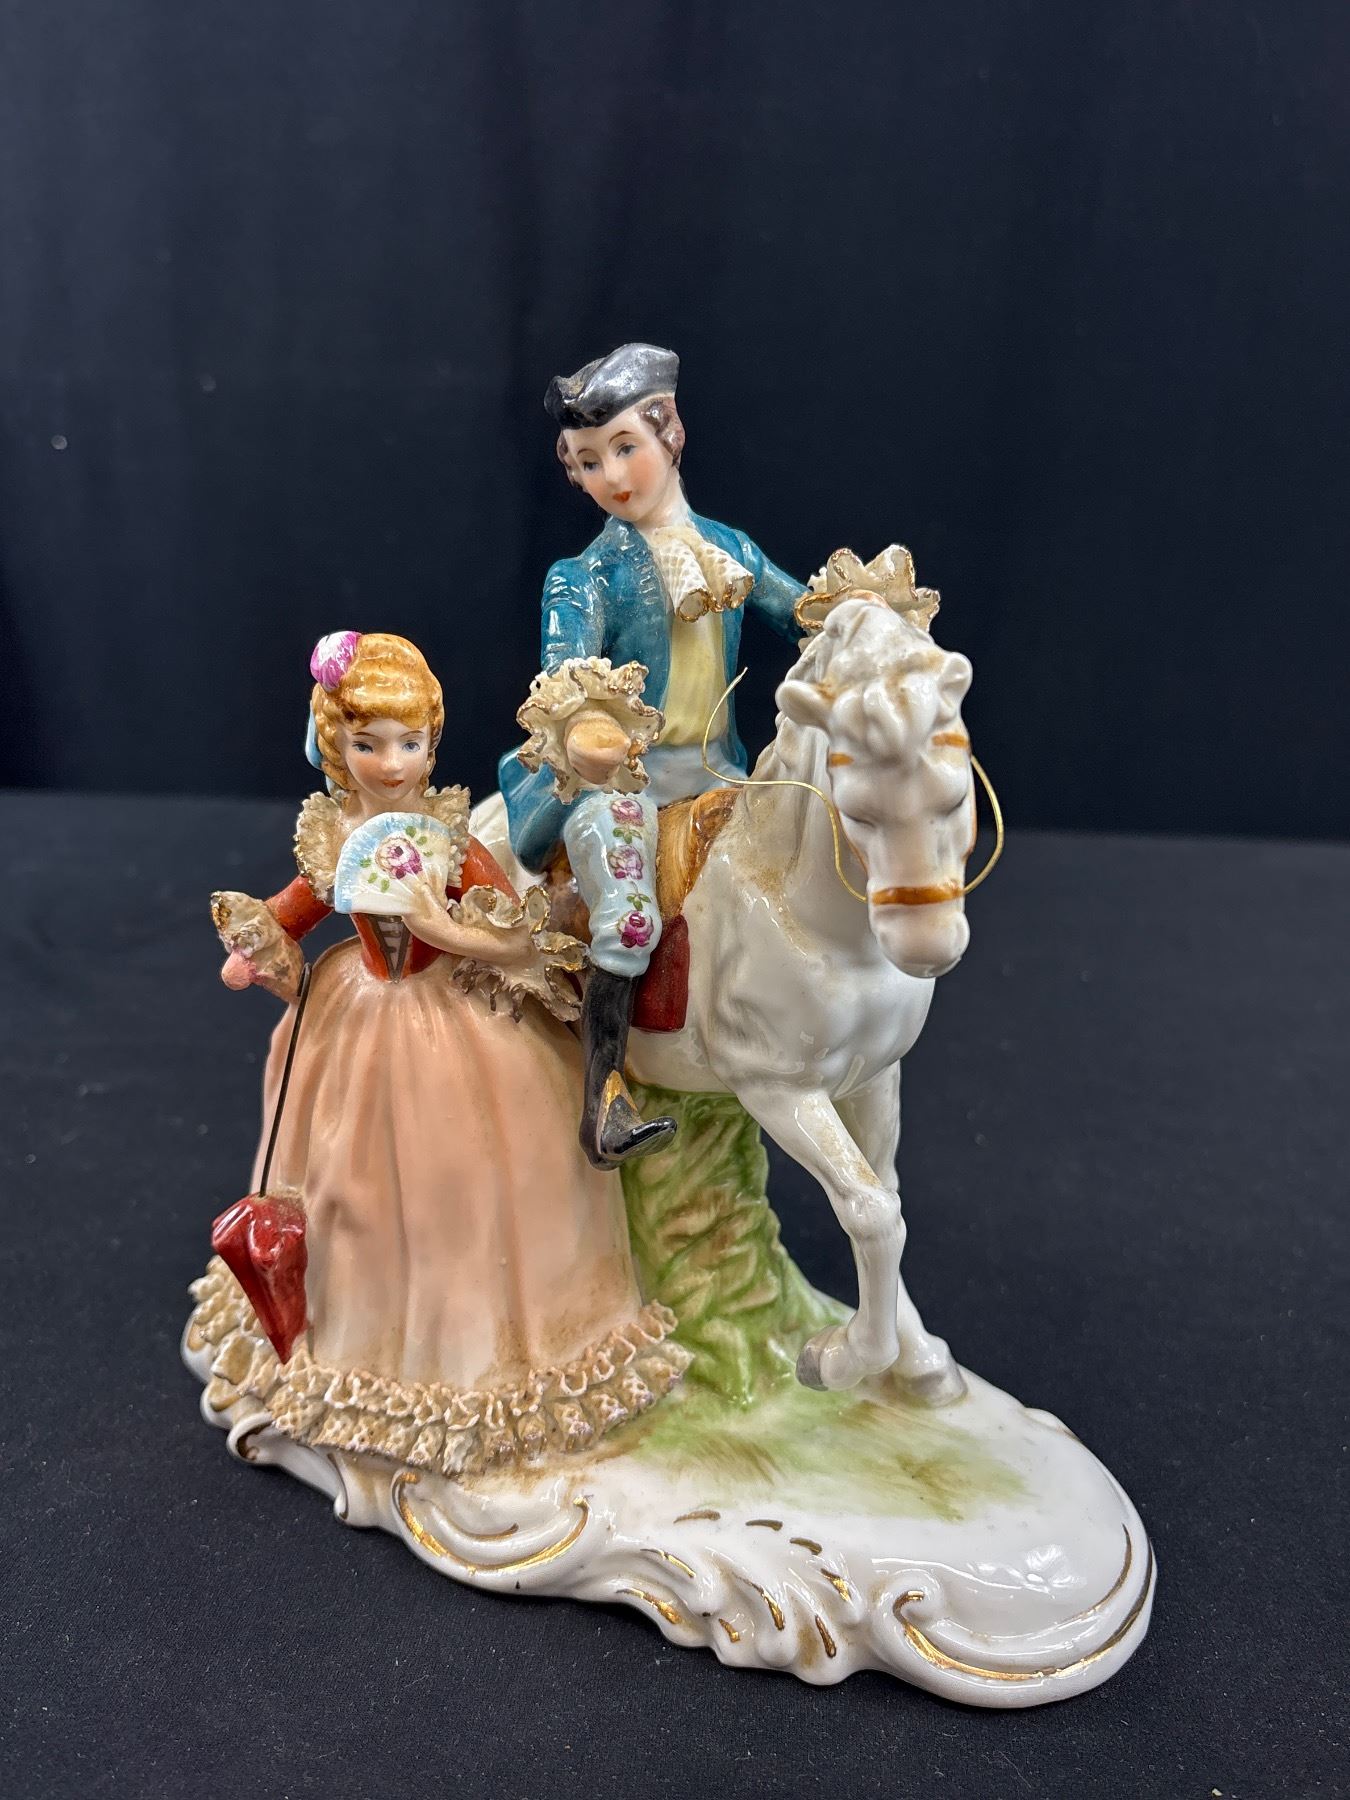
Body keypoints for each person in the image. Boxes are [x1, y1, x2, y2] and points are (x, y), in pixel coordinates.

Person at [196, 631, 689, 1481]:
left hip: (455, 1006)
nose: (392, 764)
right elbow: (298, 905)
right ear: (337, 745)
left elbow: (521, 941)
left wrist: (443, 929)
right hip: (358, 1014)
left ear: (433, 743)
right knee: (354, 1184)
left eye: (410, 743)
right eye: (369, 744)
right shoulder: (337, 835)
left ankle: (488, 1356)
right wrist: (260, 946)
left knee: (471, 1182)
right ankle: (365, 1346)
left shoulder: (450, 840)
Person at [500, 343, 804, 1169]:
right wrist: (586, 732)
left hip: (721, 771)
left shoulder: (729, 549)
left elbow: (798, 610)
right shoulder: (584, 577)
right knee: (629, 917)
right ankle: (605, 1098)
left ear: (671, 433)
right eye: (588, 462)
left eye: (624, 447)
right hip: (622, 781)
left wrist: (861, 617)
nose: (611, 476)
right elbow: (564, 681)